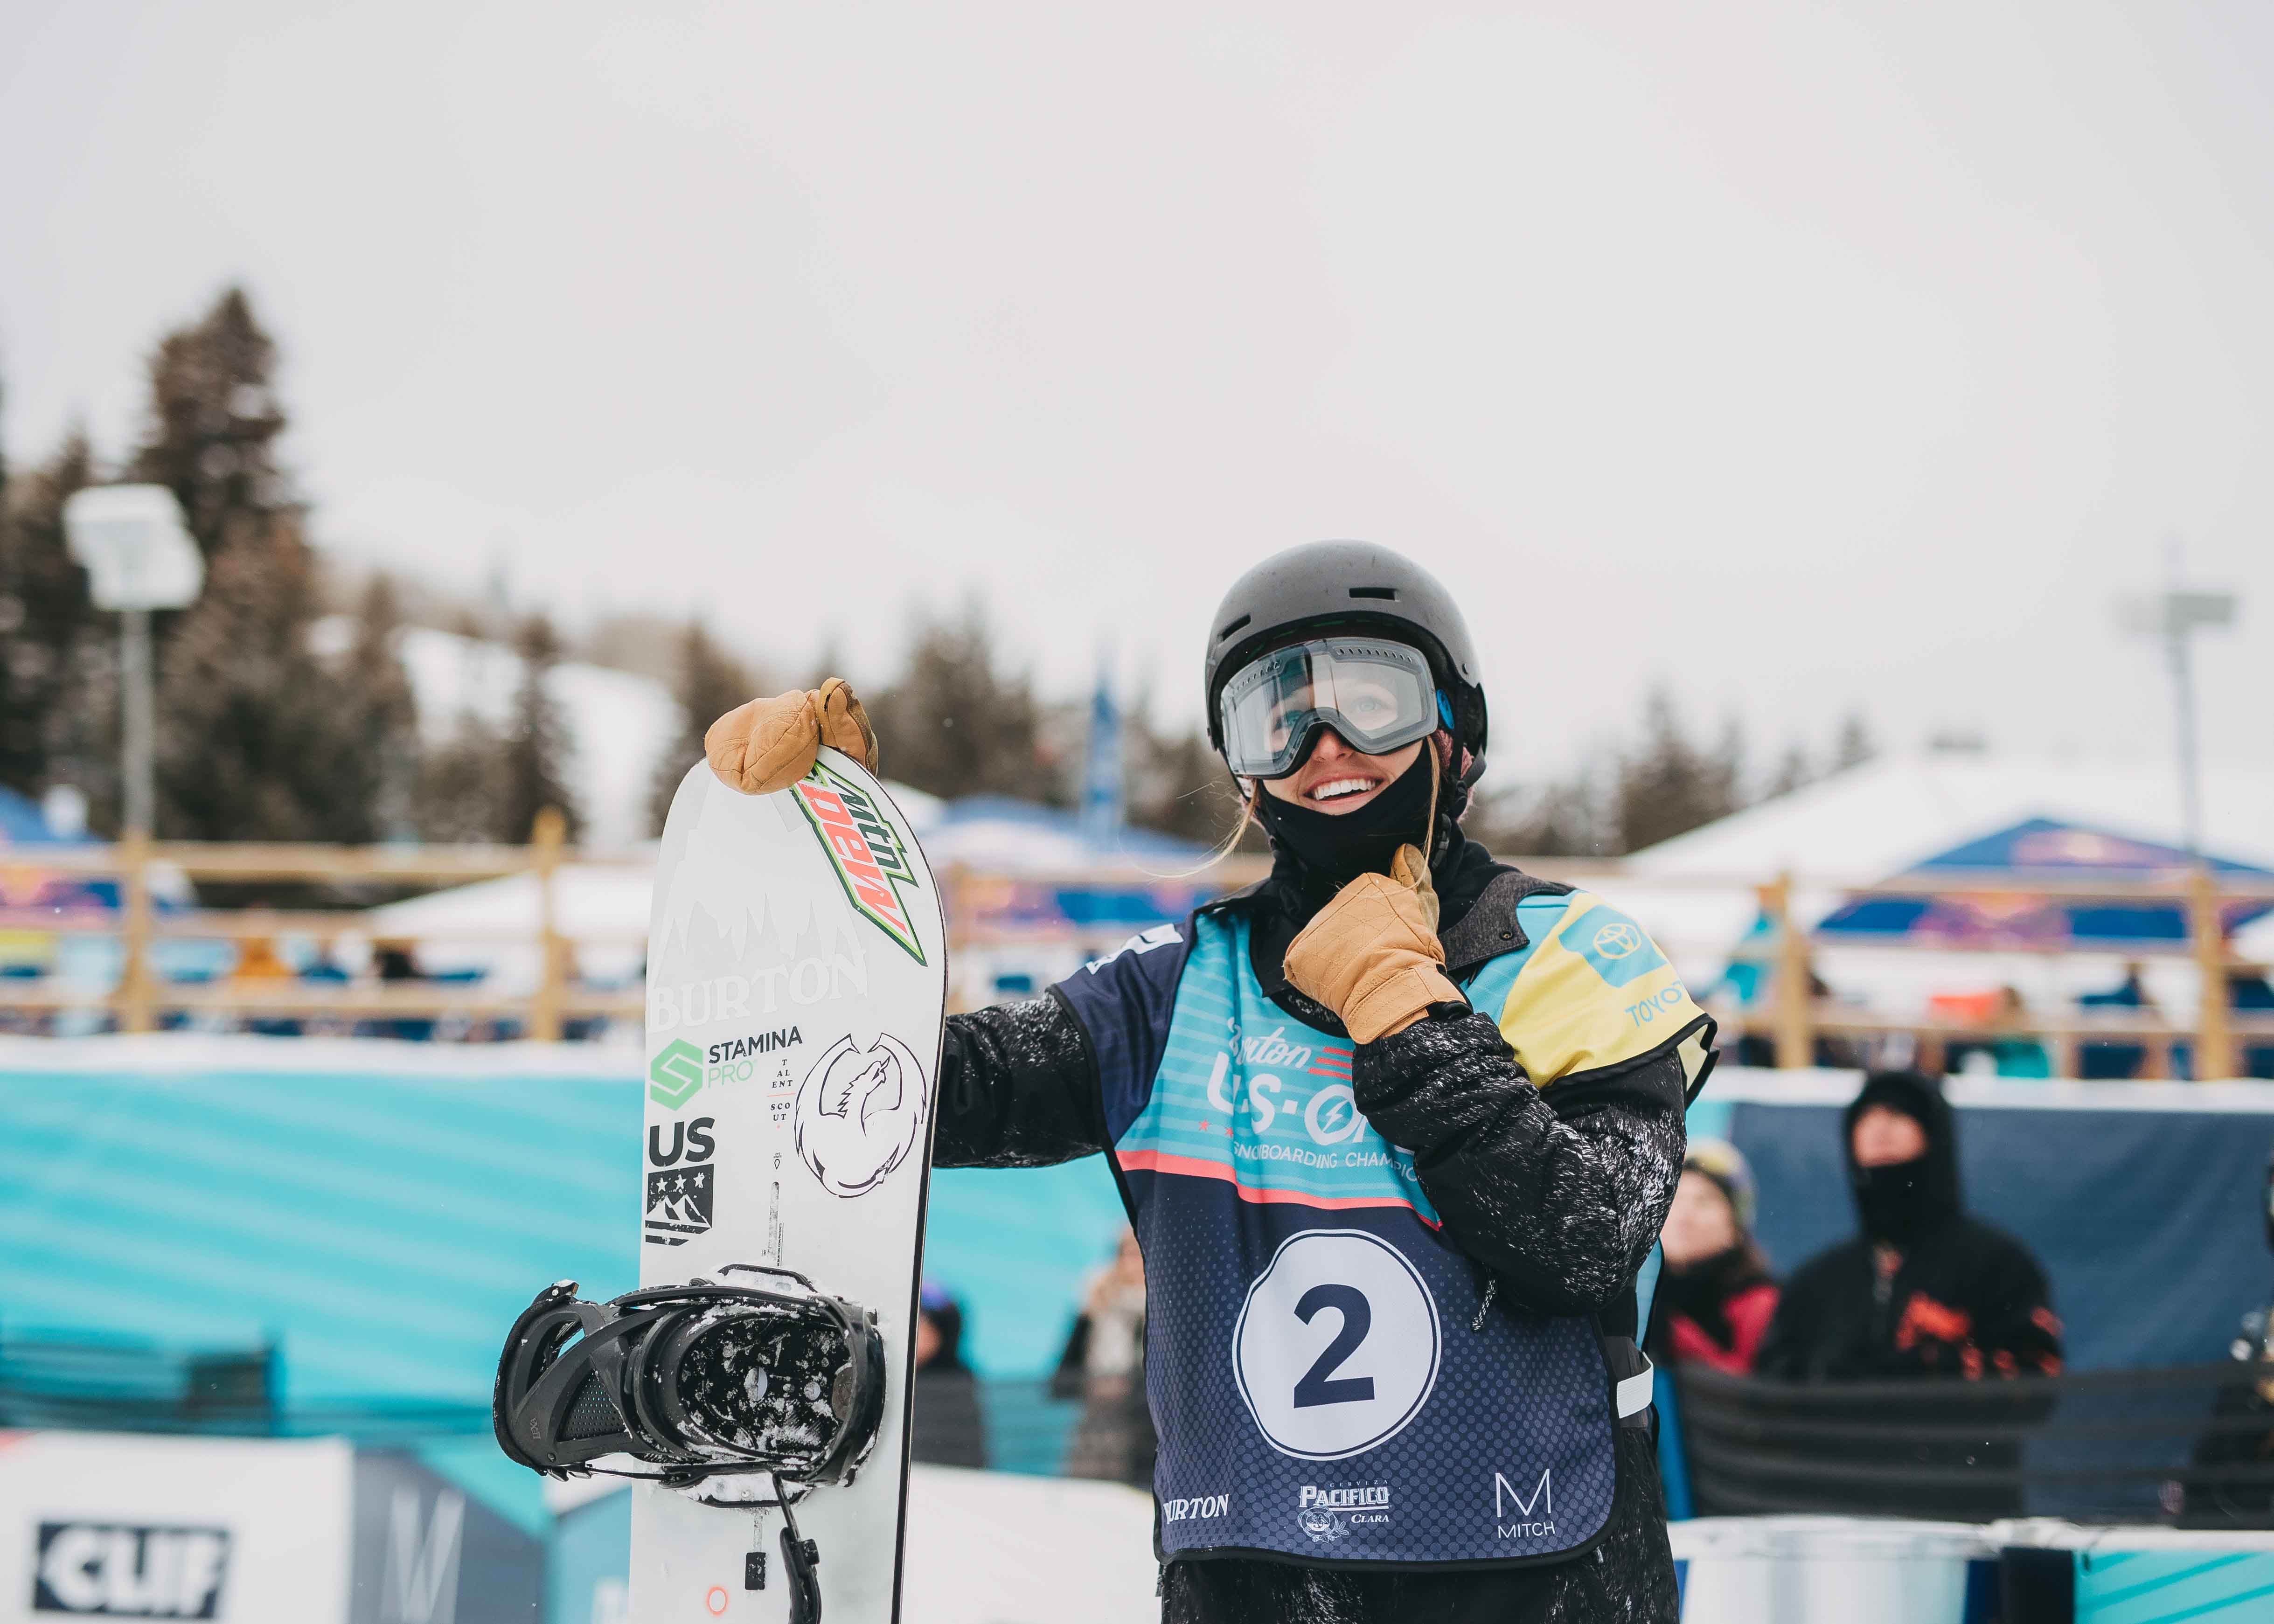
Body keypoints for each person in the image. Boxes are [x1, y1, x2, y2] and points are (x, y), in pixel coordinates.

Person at [705, 542, 1716, 1624]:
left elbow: (1582, 1241)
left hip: (1538, 1579)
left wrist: (1406, 1013)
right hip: (1251, 1581)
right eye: (1276, 715)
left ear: (1452, 730)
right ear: (1242, 769)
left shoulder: (1569, 955)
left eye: (1371, 698)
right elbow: (932, 1093)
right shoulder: (1175, 990)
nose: (1326, 745)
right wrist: (838, 860)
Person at [1753, 1069, 2060, 1517]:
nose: (1881, 1127)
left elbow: (2038, 1381)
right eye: (1867, 1117)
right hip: (1834, 1517)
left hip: (1963, 1514)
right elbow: (1770, 1389)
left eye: (1898, 1115)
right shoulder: (1817, 1280)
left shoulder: (1996, 1262)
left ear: (1933, 1135)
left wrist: (1938, 1374)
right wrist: (1827, 1387)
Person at [1650, 1140, 1777, 1376]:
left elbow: (1750, 1386)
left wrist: (1671, 1333)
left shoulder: (1758, 1301)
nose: (1683, 1216)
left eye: (1703, 1202)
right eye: (1675, 1198)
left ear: (1735, 1227)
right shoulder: (1634, 1288)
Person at [1053, 1226, 1154, 1485]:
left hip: (1145, 1425)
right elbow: (1065, 1370)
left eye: (1139, 1254)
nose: (1133, 1263)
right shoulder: (1097, 1304)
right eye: (1127, 1254)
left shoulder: (1165, 1309)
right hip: (1098, 1418)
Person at [909, 1280, 988, 1470]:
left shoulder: (956, 1385)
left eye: (918, 1325)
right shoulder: (896, 1377)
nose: (910, 1335)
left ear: (941, 1333)